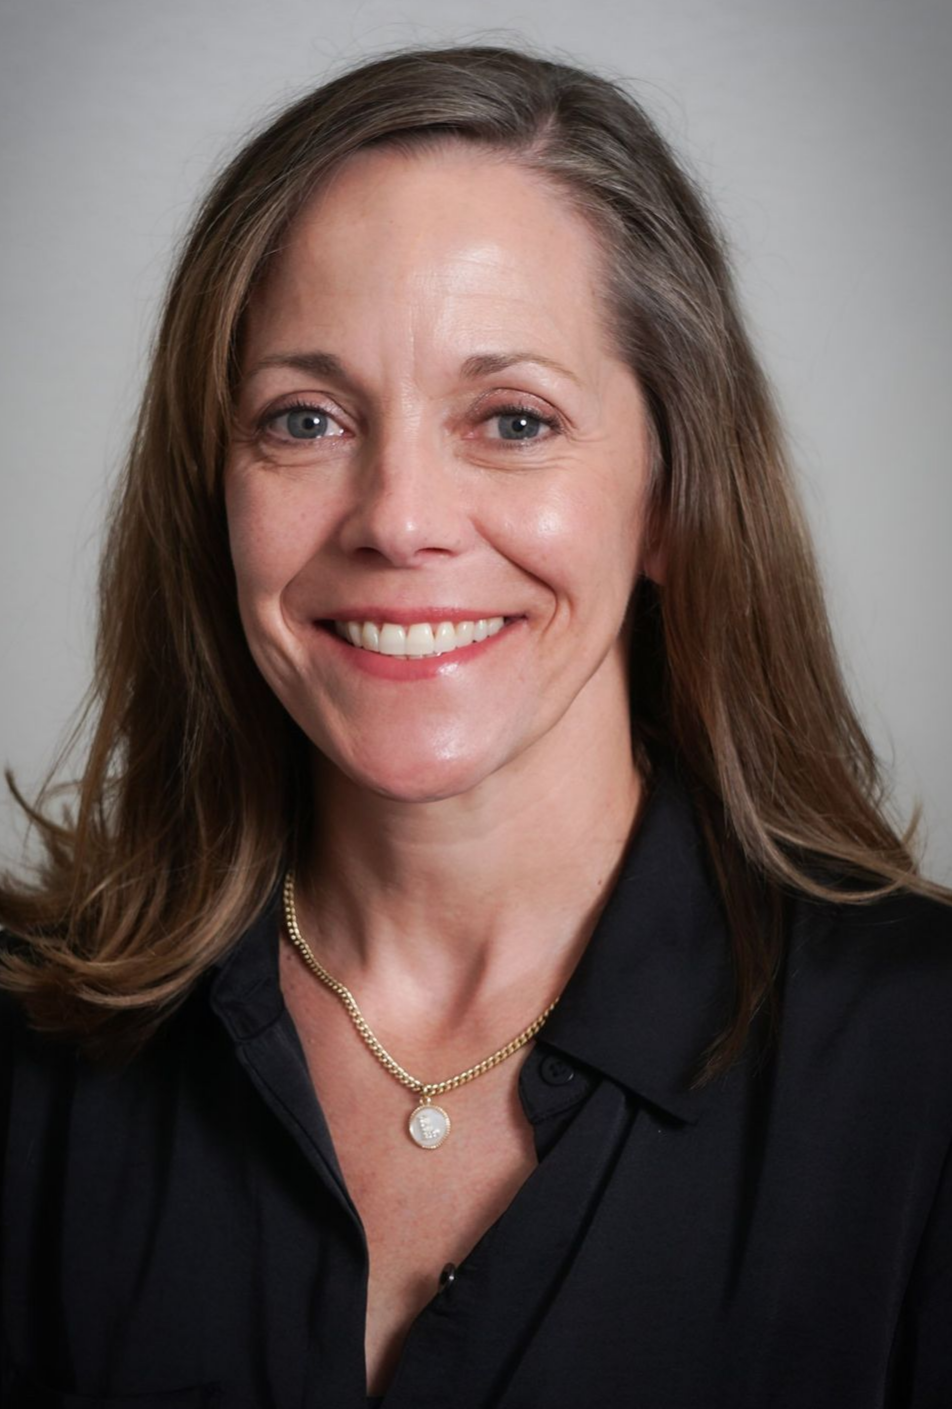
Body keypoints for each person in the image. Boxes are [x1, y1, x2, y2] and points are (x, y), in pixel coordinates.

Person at [1, 41, 950, 1409]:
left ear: (673, 502)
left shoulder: (924, 1071)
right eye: (307, 418)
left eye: (512, 419)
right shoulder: (34, 1055)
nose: (397, 519)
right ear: (211, 497)